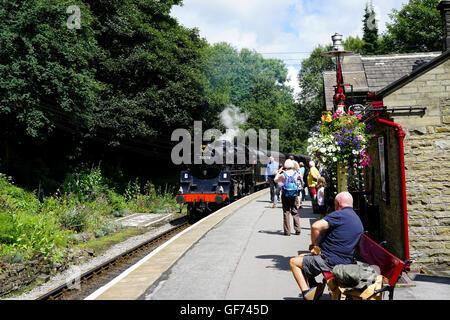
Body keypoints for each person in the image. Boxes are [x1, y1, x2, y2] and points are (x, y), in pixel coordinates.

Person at [289, 192, 363, 300]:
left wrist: (315, 245)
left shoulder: (340, 215)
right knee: (302, 257)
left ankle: (306, 294)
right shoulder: (357, 218)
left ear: (339, 203)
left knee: (293, 262)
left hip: (331, 261)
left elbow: (315, 226)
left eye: (335, 204)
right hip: (344, 258)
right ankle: (314, 286)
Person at [274, 159, 303, 236]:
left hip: (285, 194)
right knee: (295, 211)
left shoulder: (283, 174)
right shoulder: (296, 174)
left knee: (286, 212)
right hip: (294, 194)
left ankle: (287, 231)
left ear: (285, 166)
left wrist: (278, 172)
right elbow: (302, 183)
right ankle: (297, 229)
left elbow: (275, 180)